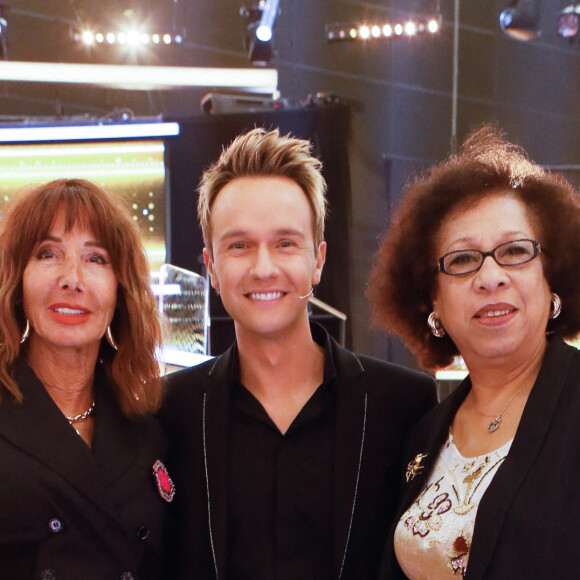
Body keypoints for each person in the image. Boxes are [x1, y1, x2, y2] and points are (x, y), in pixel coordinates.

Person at [159, 127, 437, 579]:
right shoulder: (169, 410)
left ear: (319, 260)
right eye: (239, 245)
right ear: (211, 266)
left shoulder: (404, 405)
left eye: (285, 243)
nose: (263, 268)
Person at [367, 125, 580, 579]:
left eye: (515, 251)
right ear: (434, 303)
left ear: (552, 277)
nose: (490, 277)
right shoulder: (422, 435)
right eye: (463, 260)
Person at [0, 179, 173, 580]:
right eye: (47, 254)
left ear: (120, 289)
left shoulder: (152, 422)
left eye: (96, 259)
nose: (72, 278)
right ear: (17, 283)